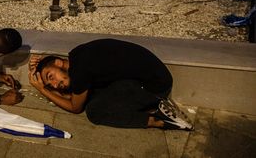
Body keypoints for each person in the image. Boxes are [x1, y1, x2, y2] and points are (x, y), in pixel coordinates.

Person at [29, 39, 193, 130]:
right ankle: (155, 106)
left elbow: (75, 107)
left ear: (58, 63)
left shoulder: (80, 72)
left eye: (50, 77)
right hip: (153, 76)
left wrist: (42, 89)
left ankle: (157, 118)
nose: (55, 85)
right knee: (93, 96)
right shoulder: (77, 55)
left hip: (154, 86)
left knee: (94, 111)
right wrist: (42, 67)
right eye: (51, 84)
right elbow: (76, 93)